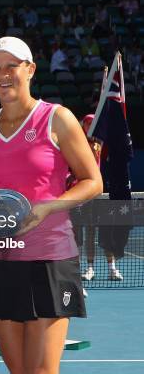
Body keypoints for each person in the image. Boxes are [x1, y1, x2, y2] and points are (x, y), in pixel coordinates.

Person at [0, 37, 103, 374]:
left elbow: (93, 181)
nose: (3, 74)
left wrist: (47, 208)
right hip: (0, 260)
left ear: (29, 69)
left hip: (51, 260)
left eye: (11, 66)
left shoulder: (57, 118)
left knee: (42, 371)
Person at [71, 115, 123, 282]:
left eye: (94, 123)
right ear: (83, 125)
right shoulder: (77, 142)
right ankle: (89, 269)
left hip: (97, 194)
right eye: (88, 123)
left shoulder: (99, 143)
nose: (91, 126)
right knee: (83, 235)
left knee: (104, 233)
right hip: (80, 193)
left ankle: (112, 269)